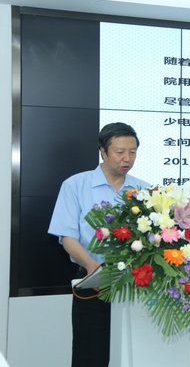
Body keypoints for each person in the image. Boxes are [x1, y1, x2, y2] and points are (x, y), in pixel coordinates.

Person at [48, 122, 149, 367]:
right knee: (90, 355)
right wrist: (93, 268)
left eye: (132, 152)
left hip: (135, 285)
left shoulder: (144, 190)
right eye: (120, 152)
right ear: (103, 152)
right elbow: (67, 236)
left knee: (135, 354)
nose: (127, 158)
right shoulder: (75, 185)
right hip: (92, 282)